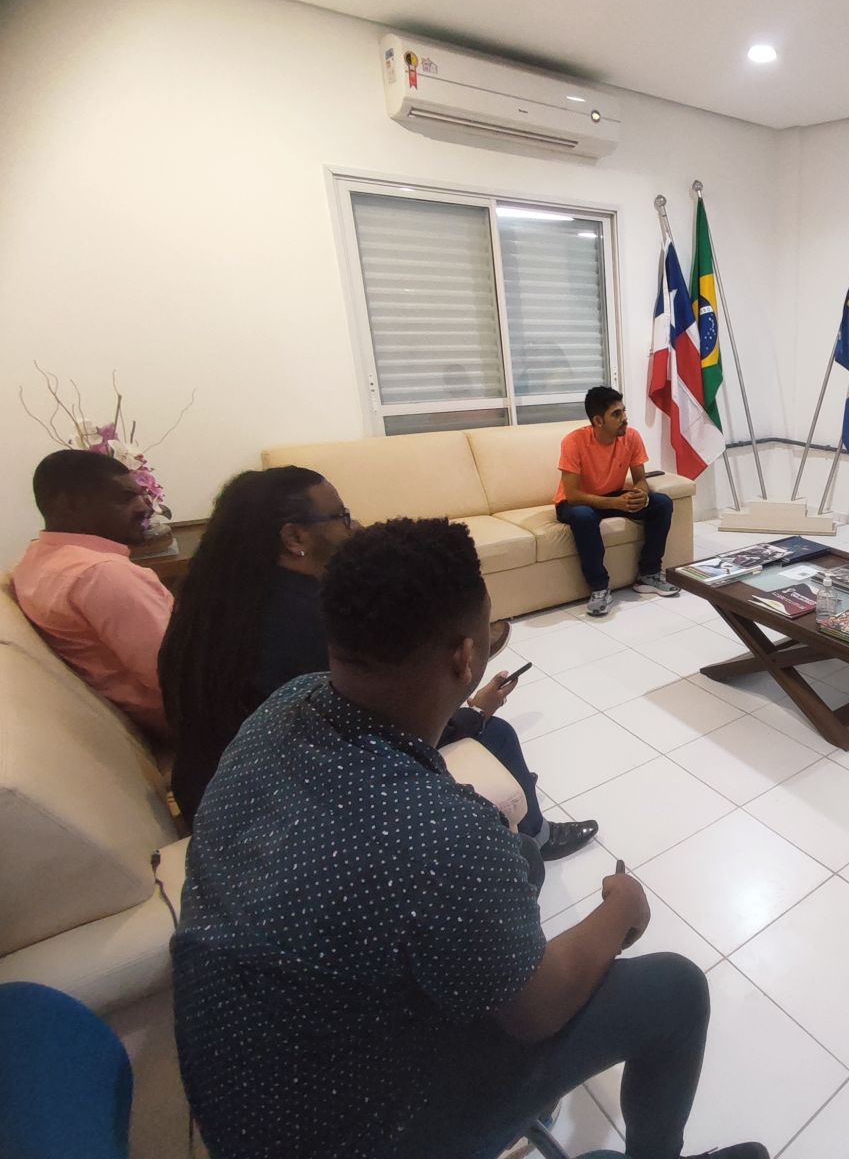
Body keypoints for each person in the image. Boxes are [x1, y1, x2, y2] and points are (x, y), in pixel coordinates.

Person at [172, 518, 767, 1159]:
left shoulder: (286, 707)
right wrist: (621, 909)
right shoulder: (439, 834)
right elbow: (537, 1011)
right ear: (465, 656)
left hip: (245, 1096)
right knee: (675, 989)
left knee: (521, 856)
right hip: (356, 1134)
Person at [157, 467, 597, 860]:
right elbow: (382, 727)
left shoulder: (211, 604)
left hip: (214, 788)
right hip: (283, 808)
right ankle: (536, 837)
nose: (356, 526)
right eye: (342, 516)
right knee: (495, 732)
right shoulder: (315, 624)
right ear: (295, 539)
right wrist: (475, 712)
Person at [12, 449, 171, 734]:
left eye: (141, 495)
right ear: (70, 504)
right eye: (125, 498)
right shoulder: (101, 574)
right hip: (191, 718)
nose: (145, 507)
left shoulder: (34, 560)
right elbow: (180, 674)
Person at [555, 385, 679, 617]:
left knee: (661, 503)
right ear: (598, 421)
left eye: (624, 411)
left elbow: (640, 479)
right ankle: (599, 588)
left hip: (612, 495)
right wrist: (616, 504)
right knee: (584, 516)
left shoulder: (631, 437)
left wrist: (640, 494)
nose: (624, 418)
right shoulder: (573, 442)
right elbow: (572, 495)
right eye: (616, 414)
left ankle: (649, 574)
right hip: (576, 503)